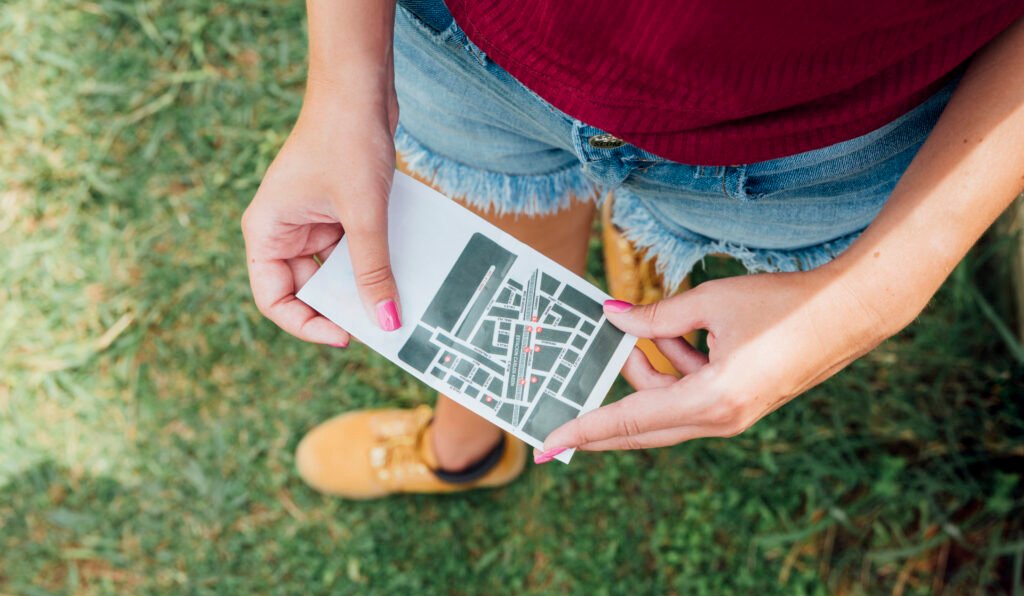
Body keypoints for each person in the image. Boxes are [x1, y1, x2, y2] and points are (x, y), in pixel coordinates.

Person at [242, 0, 1024, 498]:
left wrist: (878, 292)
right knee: (493, 253)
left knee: (619, 282)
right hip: (467, 49)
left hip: (807, 137)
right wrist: (344, 76)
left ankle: (637, 250)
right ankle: (468, 449)